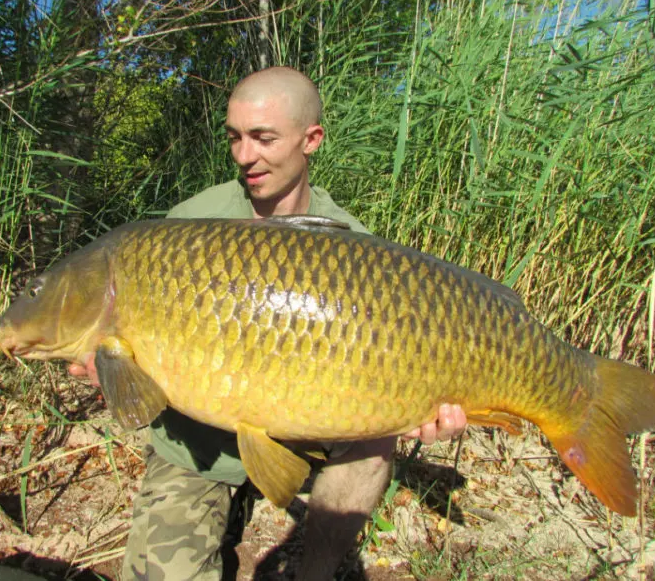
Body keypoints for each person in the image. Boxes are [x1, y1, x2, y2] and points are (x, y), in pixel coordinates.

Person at [69, 66, 467, 580]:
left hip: (308, 430)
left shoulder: (352, 245)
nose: (243, 155)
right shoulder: (190, 222)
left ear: (311, 140)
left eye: (263, 138)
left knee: (374, 441)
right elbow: (135, 389)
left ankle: (315, 570)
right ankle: (225, 500)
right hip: (200, 444)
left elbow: (402, 359)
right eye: (234, 137)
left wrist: (420, 408)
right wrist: (109, 363)